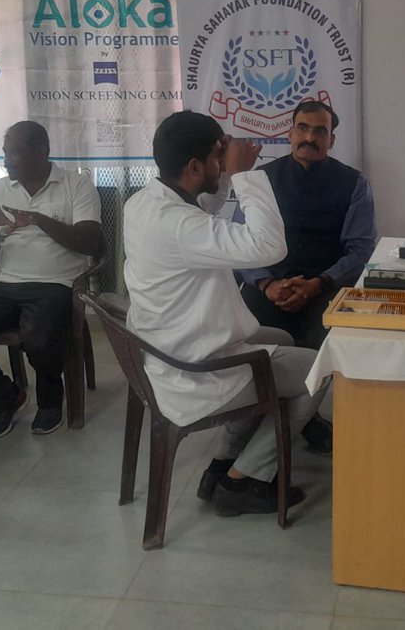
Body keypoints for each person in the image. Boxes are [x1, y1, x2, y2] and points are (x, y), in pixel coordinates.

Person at [123, 110, 327, 516]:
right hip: (196, 371)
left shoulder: (144, 203)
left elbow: (205, 215)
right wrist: (244, 175)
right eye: (218, 157)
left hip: (170, 352)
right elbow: (268, 246)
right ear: (196, 166)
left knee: (283, 341)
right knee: (322, 370)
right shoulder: (179, 225)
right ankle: (246, 479)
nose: (225, 162)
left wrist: (224, 172)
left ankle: (222, 462)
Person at [0, 121, 102, 439]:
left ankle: (50, 400)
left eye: (14, 153)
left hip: (57, 283)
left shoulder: (76, 185)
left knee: (40, 338)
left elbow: (92, 242)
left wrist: (37, 219)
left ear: (41, 152)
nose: (6, 161)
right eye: (5, 153)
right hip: (5, 282)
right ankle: (5, 398)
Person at [238, 101, 378, 351]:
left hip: (327, 290)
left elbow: (361, 251)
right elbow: (241, 240)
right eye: (302, 128)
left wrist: (318, 284)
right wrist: (266, 284)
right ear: (290, 134)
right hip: (268, 290)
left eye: (320, 131)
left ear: (331, 140)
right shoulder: (260, 179)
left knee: (330, 353)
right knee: (245, 346)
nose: (310, 137)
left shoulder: (355, 183)